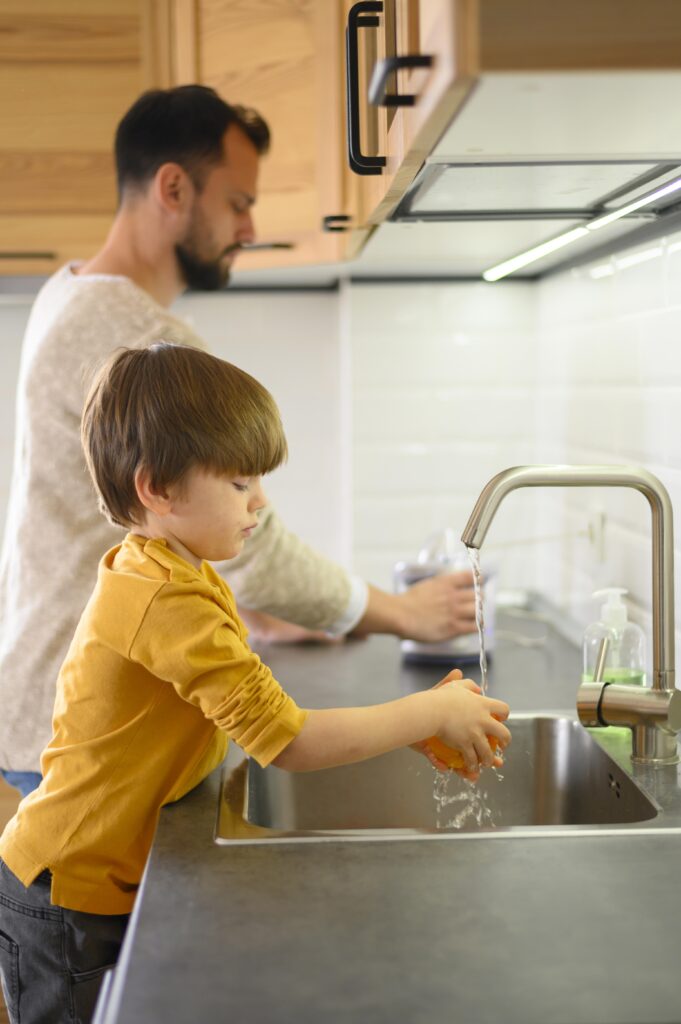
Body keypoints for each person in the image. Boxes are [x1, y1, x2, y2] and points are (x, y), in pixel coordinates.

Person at [0, 343, 510, 1024]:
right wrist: (421, 713)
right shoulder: (162, 595)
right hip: (68, 890)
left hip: (88, 871)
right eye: (241, 483)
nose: (261, 502)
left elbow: (227, 679)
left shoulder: (170, 569)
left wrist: (414, 722)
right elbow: (287, 742)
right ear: (158, 489)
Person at [0, 84, 478, 799]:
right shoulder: (143, 341)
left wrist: (247, 616)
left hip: (51, 695)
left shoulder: (68, 291)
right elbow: (257, 550)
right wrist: (403, 614)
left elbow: (142, 521)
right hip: (90, 732)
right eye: (238, 202)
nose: (249, 228)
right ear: (172, 187)